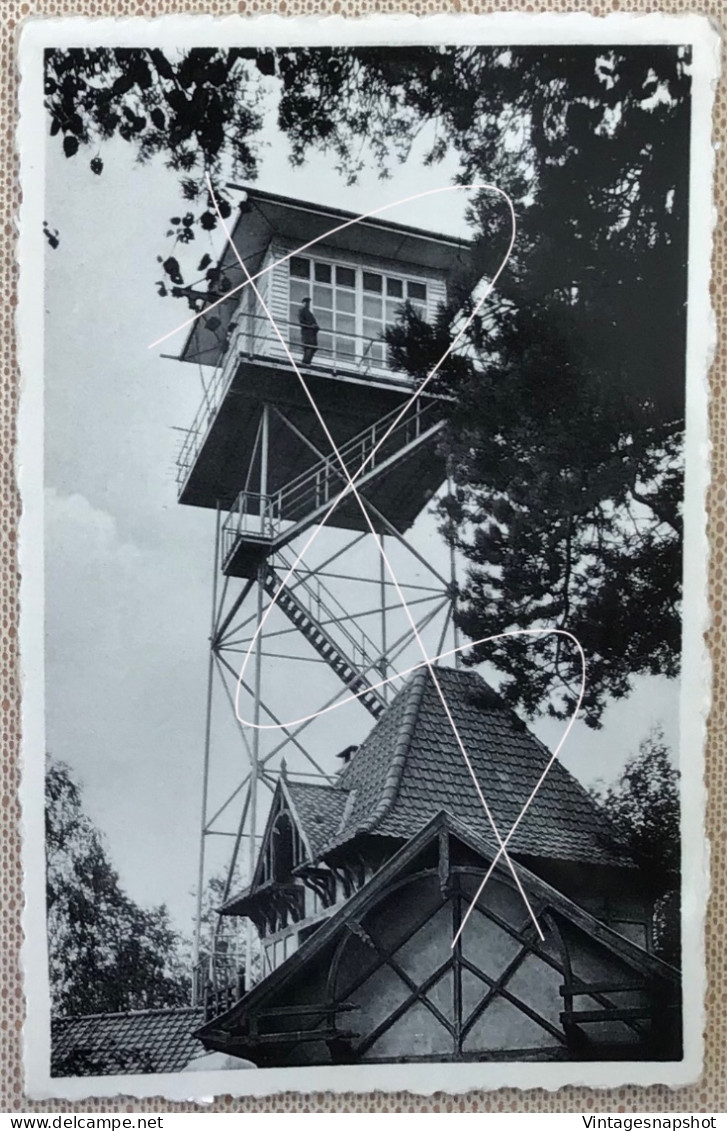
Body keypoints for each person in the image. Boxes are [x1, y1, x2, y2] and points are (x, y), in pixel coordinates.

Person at [297, 297, 319, 366]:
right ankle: (306, 362)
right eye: (306, 303)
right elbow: (302, 321)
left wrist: (316, 327)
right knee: (309, 347)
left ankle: (307, 361)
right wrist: (310, 325)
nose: (307, 304)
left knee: (313, 347)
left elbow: (314, 322)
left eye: (308, 303)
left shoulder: (309, 313)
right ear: (303, 303)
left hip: (312, 334)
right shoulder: (302, 311)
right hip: (307, 334)